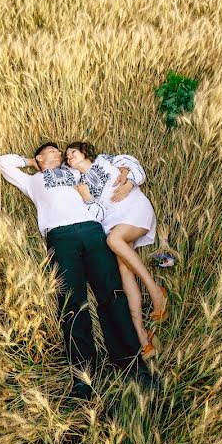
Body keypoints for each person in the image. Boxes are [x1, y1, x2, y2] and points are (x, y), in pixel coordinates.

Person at [0, 142, 158, 400]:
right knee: (71, 302)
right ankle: (83, 376)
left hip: (92, 230)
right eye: (52, 152)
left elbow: (117, 167)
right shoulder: (33, 181)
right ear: (39, 157)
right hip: (61, 237)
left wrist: (126, 179)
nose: (59, 155)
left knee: (112, 294)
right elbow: (2, 161)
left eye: (61, 153)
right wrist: (33, 162)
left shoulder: (75, 173)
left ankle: (131, 364)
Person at [64, 141, 169, 359]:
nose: (69, 157)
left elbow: (134, 165)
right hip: (113, 221)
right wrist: (86, 197)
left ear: (84, 152)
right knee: (124, 272)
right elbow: (95, 215)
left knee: (113, 240)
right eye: (67, 157)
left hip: (133, 207)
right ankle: (142, 336)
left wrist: (129, 183)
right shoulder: (78, 184)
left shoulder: (105, 160)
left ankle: (156, 291)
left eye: (72, 152)